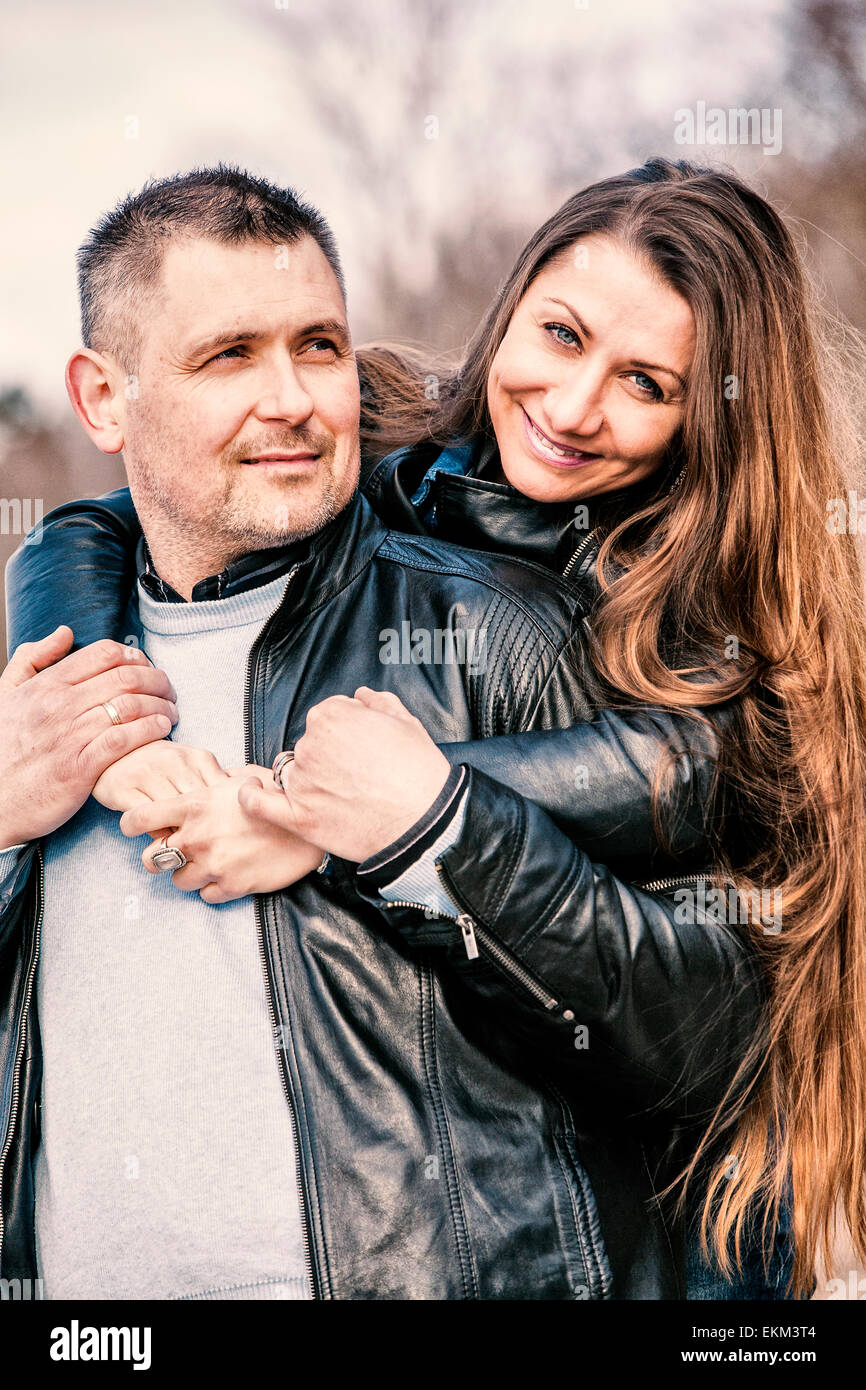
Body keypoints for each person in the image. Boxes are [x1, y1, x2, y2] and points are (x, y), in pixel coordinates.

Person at [0, 164, 810, 1299]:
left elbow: (712, 998)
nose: (573, 407)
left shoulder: (615, 629)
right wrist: (59, 743)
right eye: (229, 354)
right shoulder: (59, 668)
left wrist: (389, 819)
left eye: (645, 382)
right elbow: (91, 521)